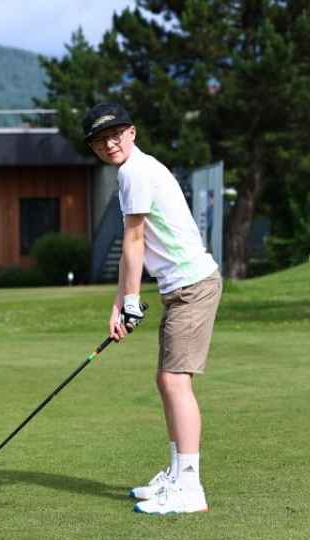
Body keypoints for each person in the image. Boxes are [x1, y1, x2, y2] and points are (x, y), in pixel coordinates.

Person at [83, 102, 222, 515]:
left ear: (132, 132)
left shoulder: (134, 172)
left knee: (175, 381)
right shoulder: (136, 170)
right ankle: (177, 475)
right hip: (181, 287)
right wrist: (120, 304)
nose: (109, 144)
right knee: (167, 380)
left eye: (115, 134)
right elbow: (133, 248)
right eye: (99, 140)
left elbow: (135, 241)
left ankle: (190, 487)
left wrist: (130, 303)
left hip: (192, 286)